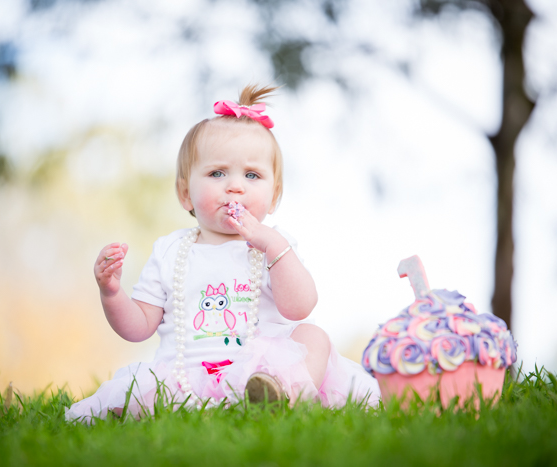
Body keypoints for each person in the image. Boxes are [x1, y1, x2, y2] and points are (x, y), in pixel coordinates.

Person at [65, 85, 380, 422]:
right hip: (186, 374)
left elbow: (300, 306)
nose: (235, 186)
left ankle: (280, 399)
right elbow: (138, 327)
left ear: (273, 198)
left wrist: (272, 244)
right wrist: (111, 292)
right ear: (186, 195)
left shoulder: (276, 245)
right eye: (217, 173)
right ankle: (151, 409)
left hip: (260, 373)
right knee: (144, 390)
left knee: (313, 337)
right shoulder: (170, 251)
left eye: (252, 175)